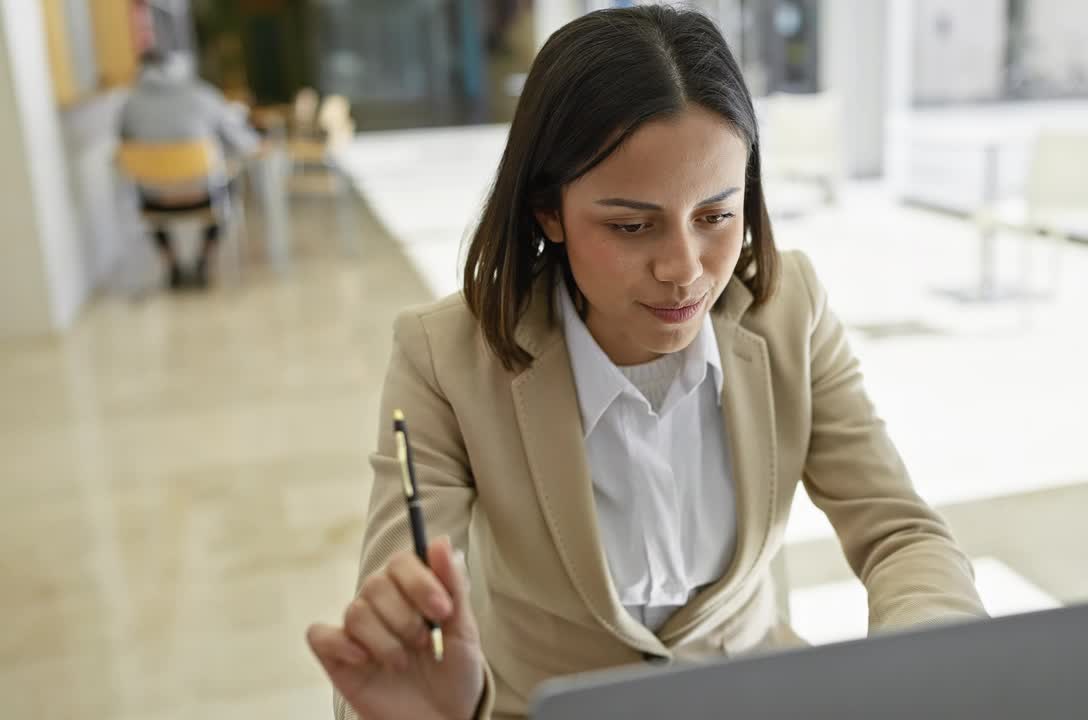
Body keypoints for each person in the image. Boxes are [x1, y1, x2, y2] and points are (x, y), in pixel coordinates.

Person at [306, 6, 987, 720]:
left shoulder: (789, 309)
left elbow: (900, 533)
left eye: (717, 216)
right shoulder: (444, 358)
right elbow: (398, 653)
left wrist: (933, 662)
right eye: (631, 225)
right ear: (548, 210)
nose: (685, 270)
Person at [119, 49, 260, 289]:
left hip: (153, 200)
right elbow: (243, 143)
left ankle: (172, 263)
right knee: (229, 184)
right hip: (204, 196)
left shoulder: (130, 103)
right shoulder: (203, 95)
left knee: (142, 183)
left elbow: (125, 141)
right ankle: (204, 258)